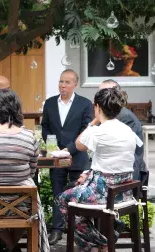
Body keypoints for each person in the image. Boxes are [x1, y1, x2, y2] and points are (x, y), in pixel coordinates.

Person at [56, 87, 141, 252]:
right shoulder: (127, 130)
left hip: (103, 193)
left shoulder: (97, 131)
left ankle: (99, 244)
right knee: (75, 191)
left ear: (98, 108)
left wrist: (93, 121)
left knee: (62, 199)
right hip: (124, 192)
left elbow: (79, 144)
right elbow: (114, 163)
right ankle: (110, 233)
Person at [0, 89, 50, 252]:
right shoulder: (29, 137)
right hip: (23, 202)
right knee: (31, 207)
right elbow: (32, 171)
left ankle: (10, 245)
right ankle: (13, 245)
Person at [41, 69, 93, 245]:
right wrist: (52, 146)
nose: (63, 85)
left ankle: (79, 233)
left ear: (75, 84)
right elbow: (45, 127)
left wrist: (68, 149)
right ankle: (57, 230)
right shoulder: (49, 103)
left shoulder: (85, 104)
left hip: (77, 157)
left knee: (78, 196)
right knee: (57, 193)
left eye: (67, 82)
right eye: (61, 81)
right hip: (56, 158)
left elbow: (86, 131)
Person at [93, 79, 146, 181]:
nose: (101, 96)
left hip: (123, 175)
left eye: (105, 92)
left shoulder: (123, 116)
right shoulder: (110, 114)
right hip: (112, 171)